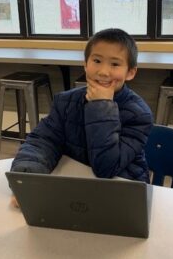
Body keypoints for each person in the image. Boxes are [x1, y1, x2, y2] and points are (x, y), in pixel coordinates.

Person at [11, 28, 153, 186]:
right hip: (77, 187)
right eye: (97, 61)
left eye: (115, 64)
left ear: (130, 73)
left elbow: (105, 168)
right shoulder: (65, 101)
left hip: (123, 189)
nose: (103, 72)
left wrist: (101, 106)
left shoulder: (139, 114)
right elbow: (44, 141)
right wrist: (29, 177)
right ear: (85, 64)